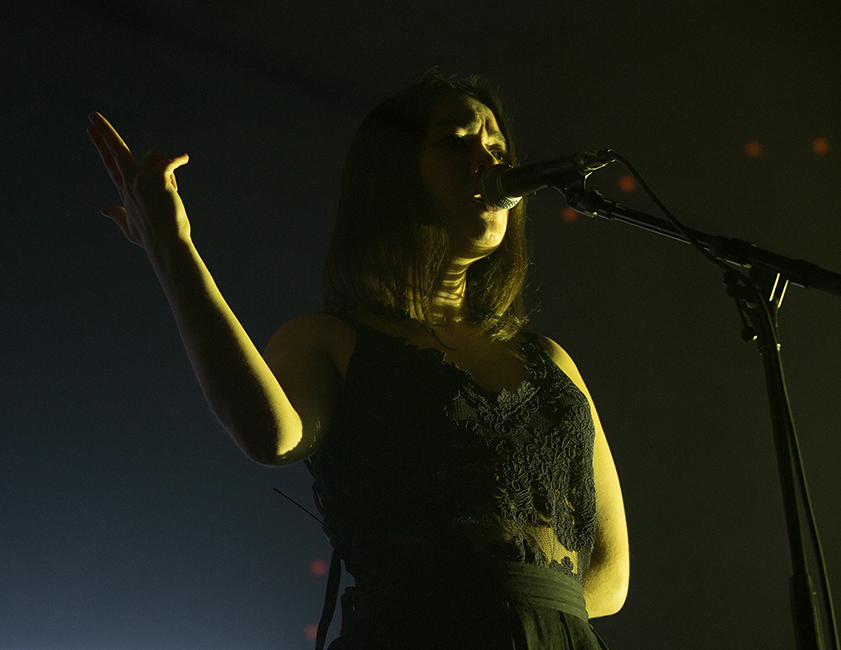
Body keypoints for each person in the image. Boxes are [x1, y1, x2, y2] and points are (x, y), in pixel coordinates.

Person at [87, 72, 629, 649]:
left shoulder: (549, 361)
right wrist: (172, 248)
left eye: (496, 145)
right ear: (393, 175)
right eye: (455, 140)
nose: (487, 158)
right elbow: (271, 435)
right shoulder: (329, 340)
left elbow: (610, 578)